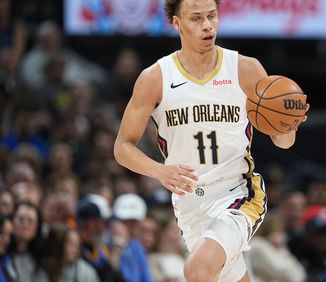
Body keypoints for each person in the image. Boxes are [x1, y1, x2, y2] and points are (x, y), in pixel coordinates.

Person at [113, 0, 308, 281]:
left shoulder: (245, 69)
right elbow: (122, 147)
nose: (207, 25)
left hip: (238, 194)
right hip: (189, 203)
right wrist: (160, 171)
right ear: (177, 23)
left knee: (196, 269)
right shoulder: (155, 78)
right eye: (196, 18)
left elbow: (283, 142)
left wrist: (289, 125)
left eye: (212, 16)